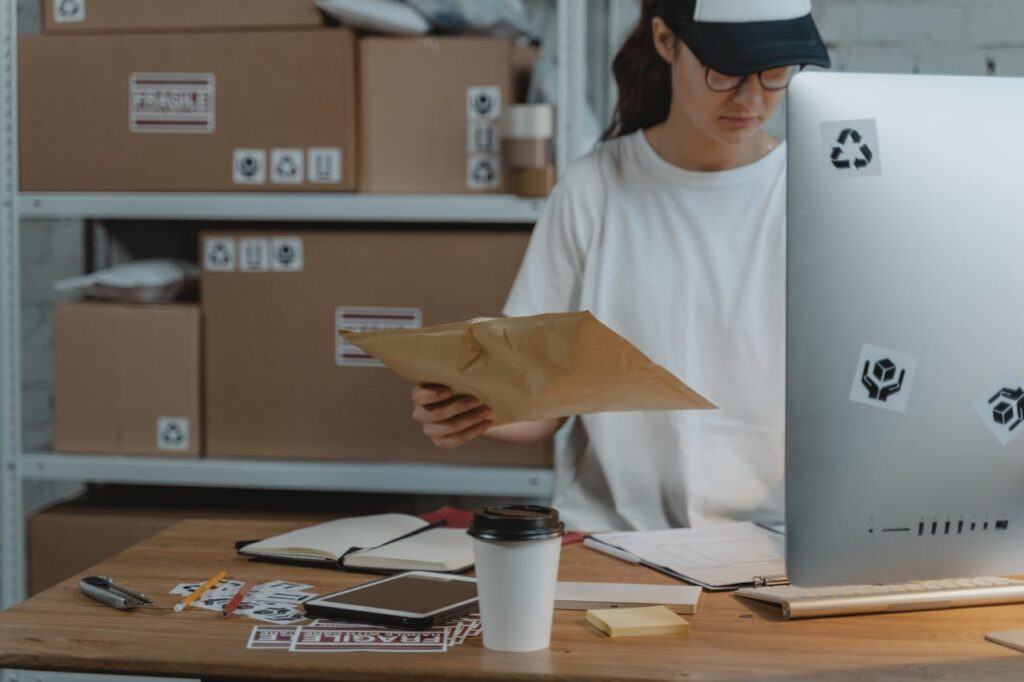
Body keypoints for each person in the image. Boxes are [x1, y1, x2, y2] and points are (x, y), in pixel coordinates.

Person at [411, 0, 831, 532]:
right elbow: (540, 399)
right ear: (665, 40)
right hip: (616, 537)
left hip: (775, 540)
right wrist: (470, 407)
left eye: (774, 74)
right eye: (724, 73)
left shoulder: (813, 194)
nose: (752, 99)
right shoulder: (595, 189)